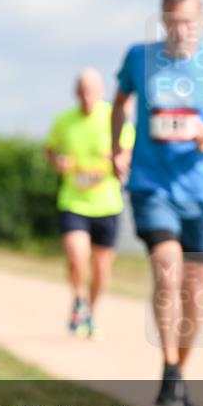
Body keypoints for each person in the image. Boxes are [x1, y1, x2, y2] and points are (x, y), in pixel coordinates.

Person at [111, 0, 203, 406]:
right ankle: (170, 364)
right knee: (167, 271)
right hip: (152, 186)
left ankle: (177, 372)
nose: (179, 30)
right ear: (163, 19)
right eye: (172, 22)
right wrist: (116, 145)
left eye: (187, 22)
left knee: (195, 290)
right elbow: (119, 103)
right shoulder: (139, 58)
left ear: (200, 20)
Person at [46, 69, 135, 338]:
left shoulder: (114, 118)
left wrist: (119, 161)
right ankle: (78, 300)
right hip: (73, 201)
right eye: (82, 90)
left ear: (100, 92)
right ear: (76, 92)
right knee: (76, 256)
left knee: (101, 268)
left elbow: (127, 156)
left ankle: (91, 312)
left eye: (92, 90)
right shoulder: (63, 121)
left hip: (107, 203)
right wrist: (57, 162)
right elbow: (50, 151)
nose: (87, 95)